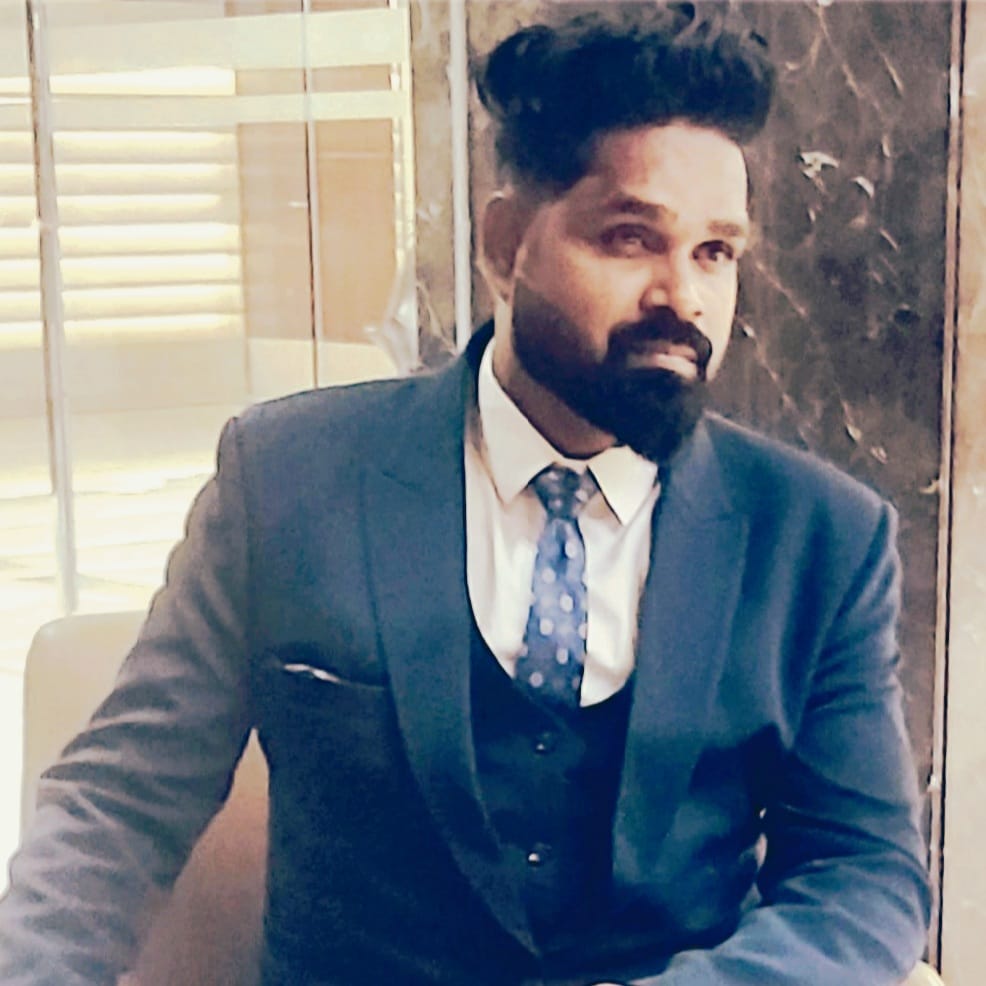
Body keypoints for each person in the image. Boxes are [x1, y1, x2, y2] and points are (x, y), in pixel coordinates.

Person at [0, 4, 931, 984]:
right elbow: (118, 802)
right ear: (503, 243)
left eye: (714, 252)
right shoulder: (289, 478)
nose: (683, 297)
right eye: (630, 239)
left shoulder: (819, 538)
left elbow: (862, 873)